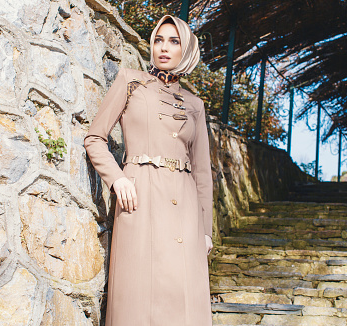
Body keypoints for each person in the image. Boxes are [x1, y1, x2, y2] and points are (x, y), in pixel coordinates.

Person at [84, 14, 213, 326]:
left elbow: (203, 174)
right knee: (137, 297)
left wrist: (206, 231)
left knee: (183, 301)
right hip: (139, 200)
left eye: (173, 41)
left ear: (187, 50)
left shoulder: (195, 104)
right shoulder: (130, 82)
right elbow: (94, 137)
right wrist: (117, 178)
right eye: (158, 40)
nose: (163, 48)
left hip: (184, 212)